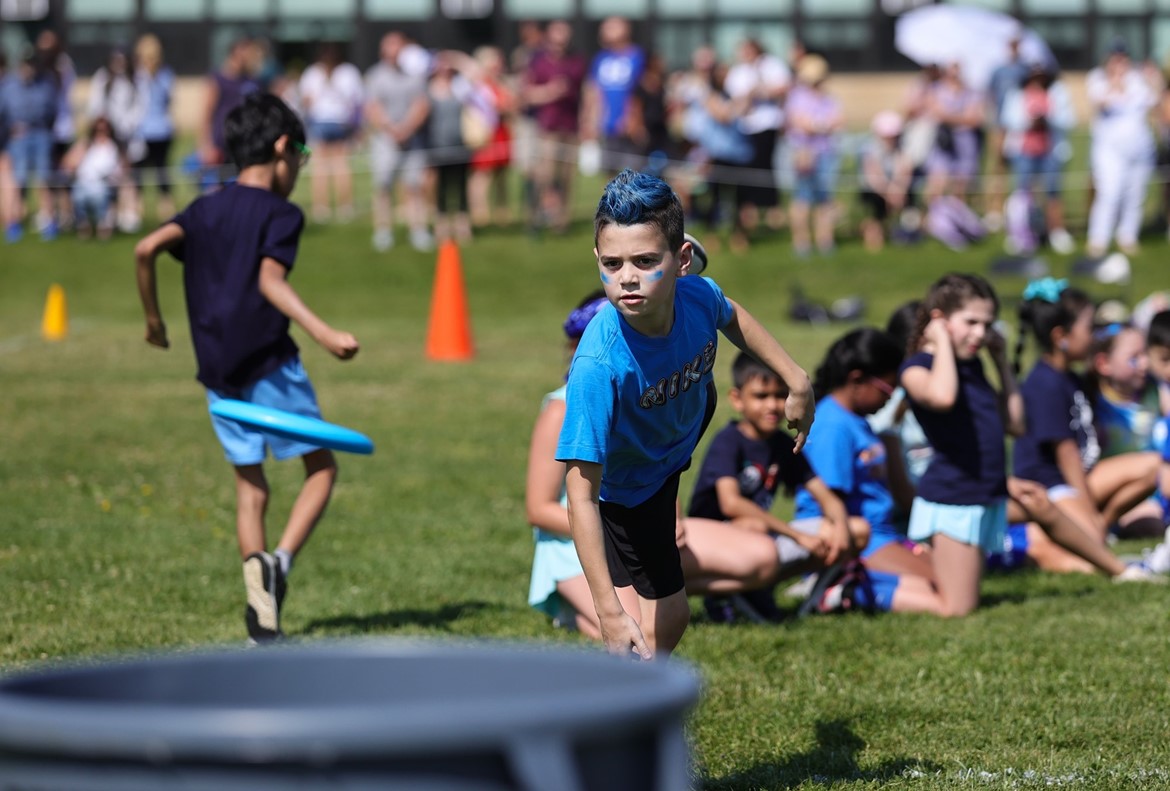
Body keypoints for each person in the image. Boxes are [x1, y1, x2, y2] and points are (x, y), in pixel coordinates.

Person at [556, 169, 814, 659]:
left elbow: (731, 313)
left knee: (668, 619)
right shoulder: (597, 365)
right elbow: (580, 493)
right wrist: (608, 612)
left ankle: (639, 698)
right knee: (651, 626)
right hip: (624, 493)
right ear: (596, 260)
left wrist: (796, 378)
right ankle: (630, 703)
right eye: (611, 264)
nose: (626, 278)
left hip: (668, 454)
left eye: (644, 261)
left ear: (681, 262)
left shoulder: (695, 294)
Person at [133, 93, 361, 642]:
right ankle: (277, 564)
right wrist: (326, 333)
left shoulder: (203, 208)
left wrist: (155, 322)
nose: (300, 167)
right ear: (283, 148)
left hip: (218, 376)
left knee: (250, 490)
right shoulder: (282, 213)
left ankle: (260, 604)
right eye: (300, 154)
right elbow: (268, 281)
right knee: (322, 469)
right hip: (268, 364)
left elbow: (145, 249)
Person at [528, 290, 790, 636]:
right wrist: (613, 531)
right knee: (633, 630)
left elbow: (658, 464)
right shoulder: (561, 407)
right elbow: (540, 509)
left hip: (648, 517)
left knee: (762, 557)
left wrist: (674, 516)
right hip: (578, 543)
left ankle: (662, 593)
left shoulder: (653, 387)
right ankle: (583, 609)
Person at [687, 351, 870, 620]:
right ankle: (724, 594)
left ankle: (758, 589)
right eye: (761, 396)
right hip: (712, 541)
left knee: (858, 530)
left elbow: (827, 497)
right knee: (754, 526)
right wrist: (798, 537)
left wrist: (841, 530)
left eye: (779, 395)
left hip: (761, 541)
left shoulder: (783, 444)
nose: (772, 405)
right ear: (737, 399)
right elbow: (731, 503)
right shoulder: (728, 441)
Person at [1013, 278, 1161, 578]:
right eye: (1089, 328)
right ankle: (1048, 540)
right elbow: (1066, 454)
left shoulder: (1070, 376)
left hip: (1083, 478)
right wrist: (1087, 512)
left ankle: (1099, 527)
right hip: (1051, 486)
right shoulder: (1044, 383)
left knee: (1151, 467)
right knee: (1090, 551)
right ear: (1061, 337)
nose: (1094, 336)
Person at [899, 274, 1027, 616]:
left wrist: (1001, 364)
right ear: (939, 318)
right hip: (953, 498)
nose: (980, 334)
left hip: (983, 493)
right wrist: (939, 341)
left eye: (987, 324)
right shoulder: (917, 368)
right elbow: (942, 397)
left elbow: (1015, 425)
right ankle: (864, 588)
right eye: (970, 322)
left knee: (960, 595)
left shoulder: (972, 367)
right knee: (957, 608)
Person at [794, 328, 944, 615]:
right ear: (857, 379)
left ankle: (848, 585)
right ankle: (837, 587)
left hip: (881, 536)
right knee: (939, 588)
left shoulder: (855, 420)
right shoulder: (833, 426)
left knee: (946, 579)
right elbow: (830, 503)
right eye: (888, 389)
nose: (892, 398)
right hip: (857, 539)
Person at [1085, 40, 1158, 257]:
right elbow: (1101, 102)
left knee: (1135, 195)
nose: (1120, 62)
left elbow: (1153, 100)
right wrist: (1115, 79)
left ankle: (1128, 236)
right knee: (1109, 193)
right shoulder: (1097, 79)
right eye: (1115, 58)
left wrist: (1151, 77)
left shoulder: (1138, 79)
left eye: (1123, 58)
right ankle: (1098, 239)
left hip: (1140, 149)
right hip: (1109, 150)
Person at [365, 32, 432, 253]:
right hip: (385, 140)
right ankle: (383, 231)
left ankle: (418, 230)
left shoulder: (414, 76)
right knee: (383, 186)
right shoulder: (375, 76)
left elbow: (421, 104)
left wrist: (407, 127)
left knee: (414, 186)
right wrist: (391, 128)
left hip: (411, 138)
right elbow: (373, 108)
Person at [1000, 63, 1076, 256]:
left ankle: (1056, 232)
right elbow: (1009, 120)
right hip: (1024, 150)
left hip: (1050, 150)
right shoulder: (1017, 95)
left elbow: (1068, 119)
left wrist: (1047, 118)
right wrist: (1030, 121)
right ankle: (1019, 234)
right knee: (1022, 192)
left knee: (1053, 191)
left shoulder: (1056, 93)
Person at [524, 19, 586, 234]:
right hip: (547, 128)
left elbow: (586, 94)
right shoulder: (538, 61)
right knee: (545, 176)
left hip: (570, 126)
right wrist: (549, 91)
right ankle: (535, 217)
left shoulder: (576, 61)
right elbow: (527, 93)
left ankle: (561, 223)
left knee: (566, 177)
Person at [298, 42, 364, 224]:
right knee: (341, 165)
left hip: (322, 121)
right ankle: (345, 206)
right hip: (340, 121)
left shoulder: (312, 73)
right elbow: (356, 101)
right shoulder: (349, 72)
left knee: (321, 167)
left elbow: (306, 100)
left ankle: (322, 207)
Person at [785, 54, 842, 257]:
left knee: (825, 199)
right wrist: (822, 125)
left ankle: (825, 240)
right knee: (803, 198)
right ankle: (801, 242)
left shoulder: (828, 98)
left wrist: (819, 126)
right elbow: (801, 124)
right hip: (804, 154)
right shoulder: (797, 97)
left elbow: (837, 121)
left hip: (826, 152)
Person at [1, 50, 59, 242]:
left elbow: (52, 111)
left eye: (32, 64)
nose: (29, 68)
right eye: (26, 64)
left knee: (44, 179)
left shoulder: (46, 83)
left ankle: (49, 222)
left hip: (41, 134)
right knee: (18, 180)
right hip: (18, 138)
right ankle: (13, 223)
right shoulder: (9, 85)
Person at [580, 16, 645, 174]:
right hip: (607, 125)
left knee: (633, 174)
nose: (605, 30)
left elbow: (641, 90)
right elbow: (593, 91)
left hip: (630, 127)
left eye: (611, 27)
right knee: (609, 175)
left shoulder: (637, 56)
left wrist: (633, 117)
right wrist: (589, 120)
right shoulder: (601, 59)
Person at [87, 46, 141, 232]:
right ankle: (109, 215)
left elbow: (139, 107)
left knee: (127, 175)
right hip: (108, 136)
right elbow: (95, 105)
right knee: (107, 176)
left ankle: (129, 214)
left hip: (127, 137)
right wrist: (106, 125)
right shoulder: (102, 78)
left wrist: (126, 125)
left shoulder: (134, 79)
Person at [198, 36, 261, 186]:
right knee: (217, 190)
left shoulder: (252, 81)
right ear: (236, 51)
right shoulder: (218, 79)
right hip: (221, 143)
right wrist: (205, 145)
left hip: (244, 143)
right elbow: (206, 113)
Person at [132, 33, 176, 221]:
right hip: (142, 130)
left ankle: (165, 209)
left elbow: (167, 100)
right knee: (140, 174)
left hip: (160, 130)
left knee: (161, 171)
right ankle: (136, 210)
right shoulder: (136, 75)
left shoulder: (165, 75)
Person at [858, 111, 913, 253]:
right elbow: (873, 177)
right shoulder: (869, 149)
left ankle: (904, 234)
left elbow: (905, 170)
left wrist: (899, 189)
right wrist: (890, 192)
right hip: (873, 190)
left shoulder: (902, 148)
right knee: (875, 205)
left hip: (893, 190)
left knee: (910, 200)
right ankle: (874, 237)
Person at [61, 116, 122, 240]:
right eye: (98, 131)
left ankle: (102, 224)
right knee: (78, 195)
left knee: (99, 194)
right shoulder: (85, 145)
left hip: (103, 184)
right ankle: (84, 225)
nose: (101, 133)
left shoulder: (113, 148)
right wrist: (80, 152)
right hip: (82, 182)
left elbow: (117, 171)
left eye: (104, 130)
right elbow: (67, 163)